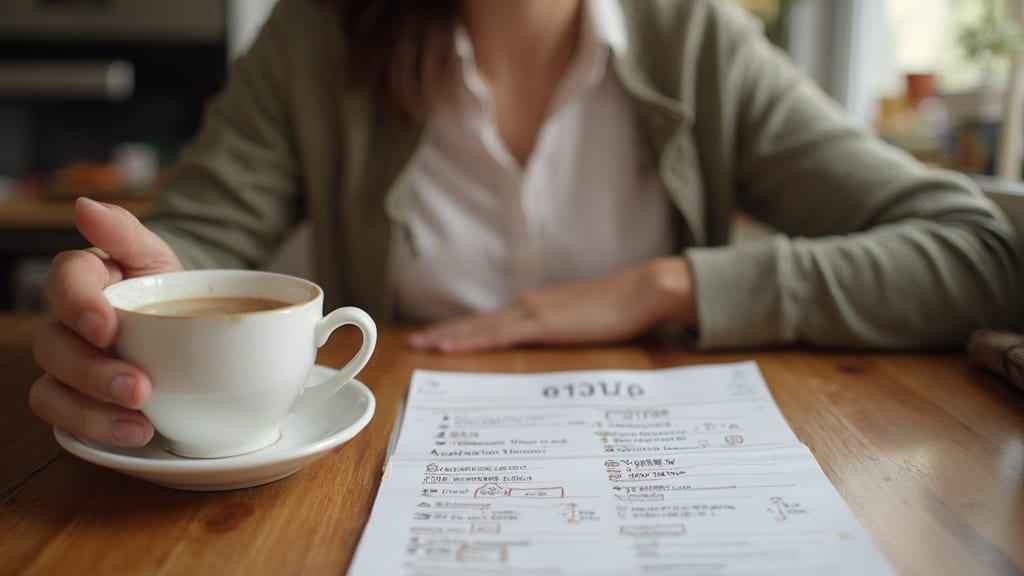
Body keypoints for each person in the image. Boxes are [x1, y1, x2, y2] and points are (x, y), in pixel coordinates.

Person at [29, 0, 1022, 449]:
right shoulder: (315, 37)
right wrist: (130, 303)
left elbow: (983, 252)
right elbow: (189, 251)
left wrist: (670, 284)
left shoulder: (701, 43)